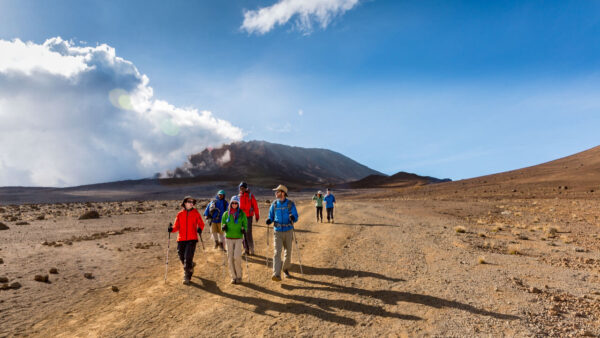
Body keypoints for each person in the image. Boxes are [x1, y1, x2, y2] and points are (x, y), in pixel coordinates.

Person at [168, 196, 205, 285]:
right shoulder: (180, 214)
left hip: (192, 238)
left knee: (187, 257)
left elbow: (201, 223)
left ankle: (187, 276)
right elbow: (176, 227)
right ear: (185, 203)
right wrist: (171, 229)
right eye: (189, 201)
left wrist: (200, 228)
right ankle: (190, 266)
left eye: (193, 202)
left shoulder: (196, 213)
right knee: (181, 256)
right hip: (181, 239)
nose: (191, 203)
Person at [265, 184, 299, 282]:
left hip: (288, 231)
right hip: (277, 232)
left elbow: (296, 216)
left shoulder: (290, 204)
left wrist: (293, 218)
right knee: (277, 252)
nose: (276, 193)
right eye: (276, 191)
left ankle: (285, 269)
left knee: (288, 252)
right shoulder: (274, 204)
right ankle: (276, 274)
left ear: (283, 193)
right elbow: (271, 216)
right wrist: (269, 220)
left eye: (278, 191)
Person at [221, 195, 248, 284]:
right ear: (230, 203)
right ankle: (233, 277)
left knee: (237, 257)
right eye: (233, 203)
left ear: (238, 204)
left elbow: (245, 224)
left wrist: (244, 229)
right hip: (228, 238)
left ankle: (239, 276)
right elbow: (223, 224)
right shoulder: (226, 214)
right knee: (230, 258)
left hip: (238, 238)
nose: (234, 204)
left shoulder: (242, 214)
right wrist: (223, 227)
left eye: (236, 203)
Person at [238, 182, 259, 255]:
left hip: (249, 217)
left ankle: (252, 249)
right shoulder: (239, 196)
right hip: (241, 217)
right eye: (241, 188)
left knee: (248, 233)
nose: (242, 189)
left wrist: (257, 215)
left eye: (243, 188)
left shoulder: (250, 196)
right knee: (243, 233)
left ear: (246, 188)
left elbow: (255, 206)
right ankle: (246, 250)